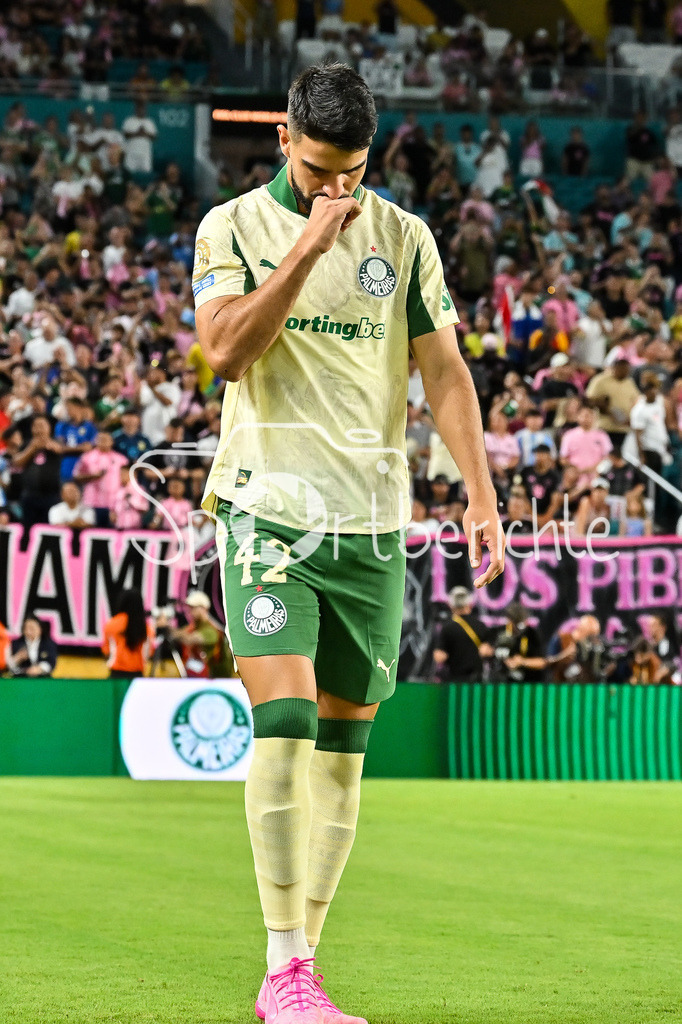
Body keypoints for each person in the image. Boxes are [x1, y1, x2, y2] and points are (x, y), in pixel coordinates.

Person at [193, 62, 504, 1024]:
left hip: (371, 520)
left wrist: (482, 493)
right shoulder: (231, 228)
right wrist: (309, 245)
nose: (341, 188)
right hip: (267, 510)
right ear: (285, 139)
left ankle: (304, 963)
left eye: (356, 170)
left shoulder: (404, 238)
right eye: (324, 168)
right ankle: (282, 969)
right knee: (283, 723)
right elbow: (226, 353)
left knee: (343, 748)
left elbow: (444, 373)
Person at [432, 586, 495, 682]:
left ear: (451, 605)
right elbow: (489, 651)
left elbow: (439, 657)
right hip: (477, 680)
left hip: (455, 679)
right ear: (470, 604)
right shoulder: (481, 626)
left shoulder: (447, 628)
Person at [173, 590, 234, 677]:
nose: (190, 611)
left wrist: (169, 631)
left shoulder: (211, 629)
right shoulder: (195, 626)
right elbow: (182, 633)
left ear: (203, 608)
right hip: (206, 678)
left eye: (193, 607)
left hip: (219, 679)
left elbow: (189, 639)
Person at [102, 588, 153, 680]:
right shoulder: (147, 628)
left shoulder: (111, 624)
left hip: (116, 676)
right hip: (138, 677)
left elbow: (106, 652)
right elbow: (148, 654)